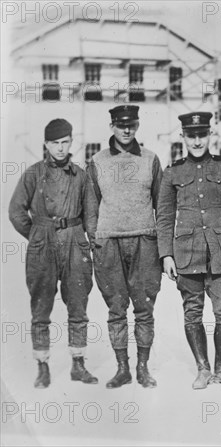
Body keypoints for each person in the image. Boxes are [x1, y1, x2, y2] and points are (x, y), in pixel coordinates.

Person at [156, 112, 221, 389]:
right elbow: (164, 215)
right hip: (186, 254)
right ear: (183, 137)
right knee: (192, 313)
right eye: (191, 135)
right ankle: (202, 368)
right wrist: (166, 255)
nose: (197, 141)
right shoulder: (172, 172)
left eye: (202, 135)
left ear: (210, 136)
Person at [9, 118, 97, 388]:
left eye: (64, 142)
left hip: (74, 242)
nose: (60, 148)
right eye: (54, 143)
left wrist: (90, 241)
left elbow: (91, 214)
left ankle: (78, 365)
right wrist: (37, 236)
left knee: (78, 306)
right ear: (46, 144)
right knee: (41, 307)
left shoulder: (81, 176)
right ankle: (43, 366)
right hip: (43, 245)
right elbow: (16, 212)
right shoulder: (33, 174)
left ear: (71, 142)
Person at [86, 105, 163, 388]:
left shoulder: (151, 159)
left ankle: (142, 368)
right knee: (116, 309)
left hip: (144, 241)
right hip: (109, 245)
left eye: (131, 124)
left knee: (144, 308)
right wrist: (97, 238)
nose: (126, 130)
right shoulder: (97, 161)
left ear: (138, 125)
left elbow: (162, 205)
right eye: (120, 125)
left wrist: (160, 242)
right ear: (112, 127)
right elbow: (90, 206)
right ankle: (122, 369)